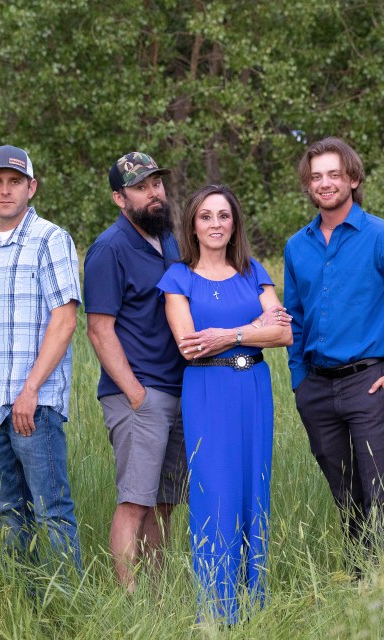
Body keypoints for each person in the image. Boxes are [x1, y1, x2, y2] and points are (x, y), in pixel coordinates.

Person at [283, 137, 384, 554]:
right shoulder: (297, 246)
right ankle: (360, 580)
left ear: (353, 178)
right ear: (308, 186)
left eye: (333, 174)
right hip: (316, 388)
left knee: (382, 491)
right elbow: (292, 319)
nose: (324, 183)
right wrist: (299, 381)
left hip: (371, 382)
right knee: (345, 496)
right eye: (316, 177)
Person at [158, 184, 292, 623]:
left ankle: (253, 605)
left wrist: (230, 334)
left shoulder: (253, 271)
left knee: (252, 488)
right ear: (192, 225)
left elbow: (284, 333)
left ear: (234, 224)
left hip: (252, 386)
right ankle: (215, 611)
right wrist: (255, 324)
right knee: (214, 492)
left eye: (224, 216)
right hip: (208, 391)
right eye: (206, 216)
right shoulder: (178, 277)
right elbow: (189, 346)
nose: (216, 224)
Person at [0, 144, 83, 575]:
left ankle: (69, 609)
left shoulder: (50, 239)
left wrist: (30, 391)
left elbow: (64, 320)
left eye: (15, 182)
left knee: (51, 511)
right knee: (9, 511)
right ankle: (26, 604)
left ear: (32, 187)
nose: (6, 191)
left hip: (34, 406)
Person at [83, 152, 188, 592]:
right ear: (119, 198)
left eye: (157, 184)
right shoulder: (109, 249)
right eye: (142, 187)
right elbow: (98, 328)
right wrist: (135, 393)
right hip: (139, 394)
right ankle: (129, 601)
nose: (154, 193)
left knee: (163, 504)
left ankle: (156, 597)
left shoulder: (170, 242)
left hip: (179, 389)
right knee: (134, 503)